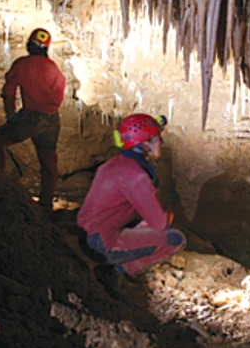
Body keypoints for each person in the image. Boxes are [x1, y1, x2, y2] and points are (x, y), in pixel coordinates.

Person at [76, 113, 186, 289]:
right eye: (157, 138)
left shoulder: (114, 164)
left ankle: (113, 263)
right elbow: (159, 223)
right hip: (101, 243)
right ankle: (116, 272)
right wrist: (167, 216)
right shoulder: (136, 176)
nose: (161, 142)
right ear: (144, 144)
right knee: (174, 239)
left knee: (144, 222)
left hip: (86, 235)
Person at [0, 28, 67, 212]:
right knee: (48, 160)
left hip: (31, 116)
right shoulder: (53, 67)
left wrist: (11, 114)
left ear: (30, 44)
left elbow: (9, 91)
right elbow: (60, 93)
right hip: (52, 119)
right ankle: (46, 203)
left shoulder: (23, 64)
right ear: (46, 48)